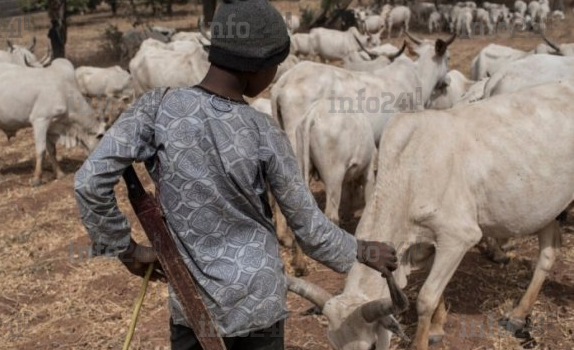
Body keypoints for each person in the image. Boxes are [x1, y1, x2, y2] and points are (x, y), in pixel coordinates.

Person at [74, 0, 398, 349]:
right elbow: (311, 231)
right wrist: (363, 251)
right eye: (275, 66)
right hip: (258, 306)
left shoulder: (156, 108)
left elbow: (89, 183)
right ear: (258, 67)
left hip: (193, 304)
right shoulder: (265, 132)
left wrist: (125, 249)